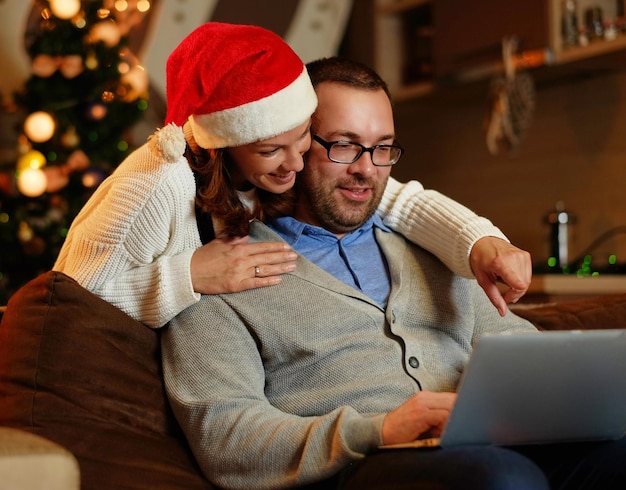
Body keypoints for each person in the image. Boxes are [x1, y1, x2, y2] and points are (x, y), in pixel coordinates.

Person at [162, 57, 626, 490]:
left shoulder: (434, 252)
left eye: (382, 148)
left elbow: (515, 347)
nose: (367, 170)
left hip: (479, 446)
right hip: (361, 467)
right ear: (297, 143)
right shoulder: (221, 274)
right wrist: (378, 429)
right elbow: (224, 436)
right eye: (344, 146)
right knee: (499, 476)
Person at [54, 22, 530, 328]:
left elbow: (394, 198)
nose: (296, 163)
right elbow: (64, 306)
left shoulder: (276, 169)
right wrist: (188, 274)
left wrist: (481, 242)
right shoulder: (156, 186)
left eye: (303, 138)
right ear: (225, 142)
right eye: (270, 149)